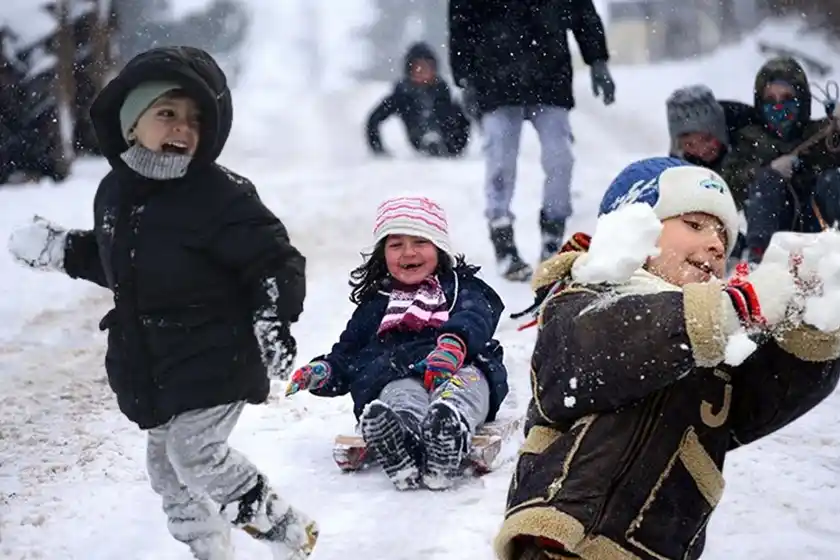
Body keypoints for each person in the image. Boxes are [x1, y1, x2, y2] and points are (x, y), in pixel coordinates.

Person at [7, 46, 318, 560]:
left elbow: (274, 260)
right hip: (157, 364)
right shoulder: (114, 192)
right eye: (167, 113)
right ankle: (209, 550)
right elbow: (117, 262)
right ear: (132, 122)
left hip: (219, 354)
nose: (183, 128)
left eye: (195, 119)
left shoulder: (221, 196)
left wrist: (271, 315)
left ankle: (287, 528)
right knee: (167, 471)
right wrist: (63, 249)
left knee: (195, 454)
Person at [494, 156, 840, 560]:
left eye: (723, 241)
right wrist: (730, 308)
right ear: (633, 228)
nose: (714, 245)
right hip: (559, 541)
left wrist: (814, 322)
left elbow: (769, 395)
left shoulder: (714, 342)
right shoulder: (583, 298)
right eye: (694, 225)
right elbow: (597, 355)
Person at [285, 196, 509, 490]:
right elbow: (349, 353)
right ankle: (400, 439)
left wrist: (454, 344)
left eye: (420, 242)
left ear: (439, 248)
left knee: (461, 391)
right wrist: (324, 371)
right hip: (398, 373)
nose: (408, 252)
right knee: (400, 396)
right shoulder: (376, 303)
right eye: (396, 245)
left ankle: (448, 432)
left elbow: (476, 315)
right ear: (383, 254)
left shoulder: (460, 287)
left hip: (459, 366)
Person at [449, 0, 616, 281]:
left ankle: (552, 238)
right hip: (495, 80)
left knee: (560, 159)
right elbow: (461, 22)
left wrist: (597, 60)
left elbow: (582, 12)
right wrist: (465, 78)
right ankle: (503, 239)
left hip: (549, 76)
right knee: (500, 162)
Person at [721, 56, 840, 263]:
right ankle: (758, 262)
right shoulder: (749, 140)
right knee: (767, 181)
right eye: (770, 100)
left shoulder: (822, 135)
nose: (778, 107)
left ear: (801, 100)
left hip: (820, 232)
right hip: (772, 239)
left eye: (786, 98)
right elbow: (729, 188)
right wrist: (767, 172)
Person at [365, 42, 471, 158]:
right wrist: (378, 151)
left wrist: (458, 145)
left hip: (449, 145)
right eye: (419, 68)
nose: (423, 72)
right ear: (410, 70)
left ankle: (436, 141)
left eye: (428, 67)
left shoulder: (442, 91)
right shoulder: (402, 94)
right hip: (419, 139)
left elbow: (463, 119)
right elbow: (374, 120)